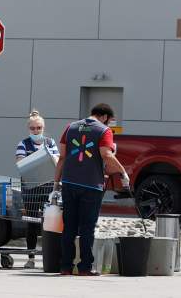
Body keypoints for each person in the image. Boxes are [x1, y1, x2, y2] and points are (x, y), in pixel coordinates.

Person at [54, 103, 128, 276]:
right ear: (104, 117)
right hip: (91, 185)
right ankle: (85, 267)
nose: (108, 124)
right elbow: (106, 155)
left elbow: (62, 157)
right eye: (109, 121)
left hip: (69, 183)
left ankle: (65, 266)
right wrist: (123, 172)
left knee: (69, 227)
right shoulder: (103, 131)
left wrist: (56, 183)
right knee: (87, 228)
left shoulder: (70, 128)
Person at [15, 110, 59, 269]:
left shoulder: (50, 142)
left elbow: (57, 161)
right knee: (32, 224)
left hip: (48, 188)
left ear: (43, 128)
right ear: (29, 129)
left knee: (51, 223)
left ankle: (52, 256)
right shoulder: (23, 144)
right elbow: (21, 163)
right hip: (31, 190)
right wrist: (43, 158)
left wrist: (45, 158)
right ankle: (31, 257)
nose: (36, 131)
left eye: (39, 128)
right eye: (33, 128)